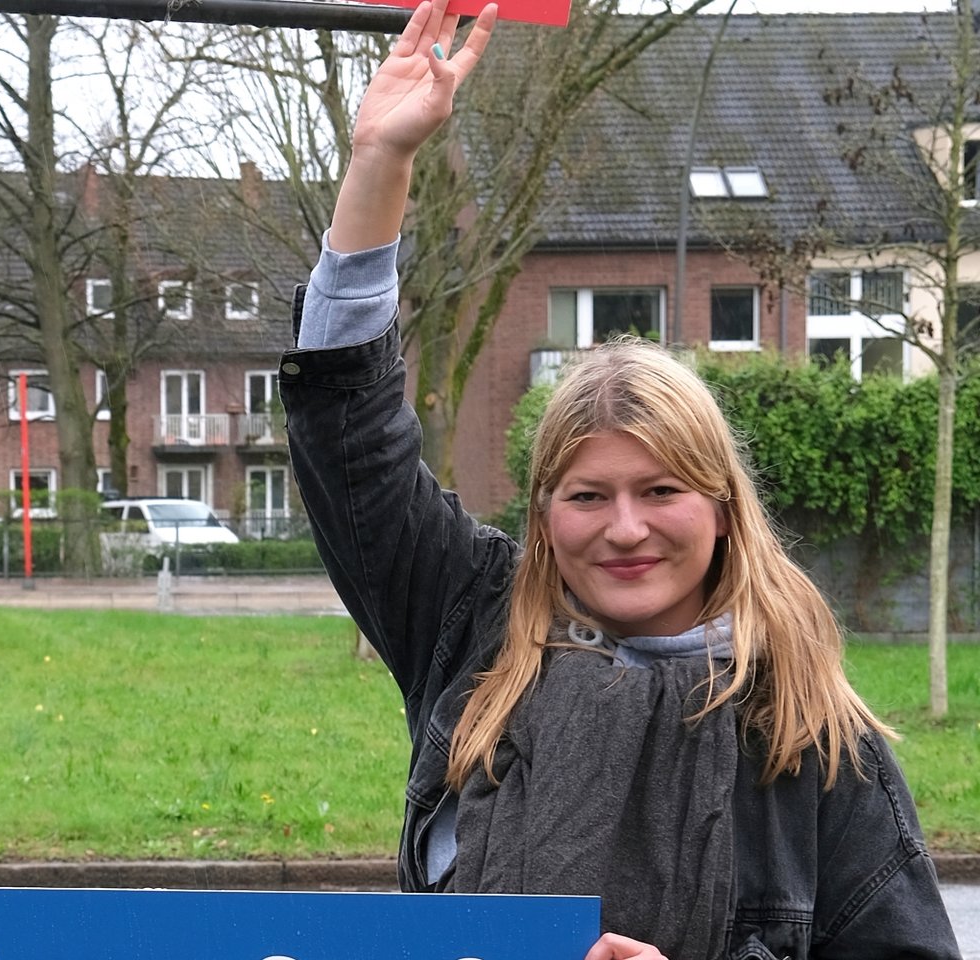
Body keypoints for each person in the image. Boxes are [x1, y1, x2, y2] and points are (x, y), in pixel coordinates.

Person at [280, 4, 960, 959]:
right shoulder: (470, 627)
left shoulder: (808, 731)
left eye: (663, 491)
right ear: (544, 514)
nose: (626, 528)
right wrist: (381, 165)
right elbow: (350, 432)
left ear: (723, 509)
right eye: (588, 496)